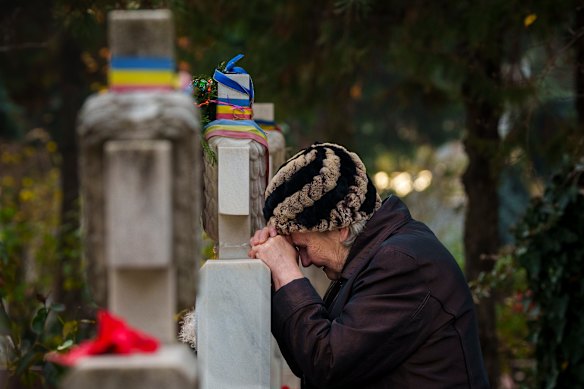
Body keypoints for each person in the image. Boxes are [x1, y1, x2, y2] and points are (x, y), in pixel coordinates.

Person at [249, 142, 489, 388]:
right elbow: (307, 361)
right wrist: (275, 278)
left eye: (302, 247)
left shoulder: (402, 263)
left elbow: (328, 363)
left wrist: (288, 274)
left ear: (340, 228)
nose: (305, 261)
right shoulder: (379, 256)